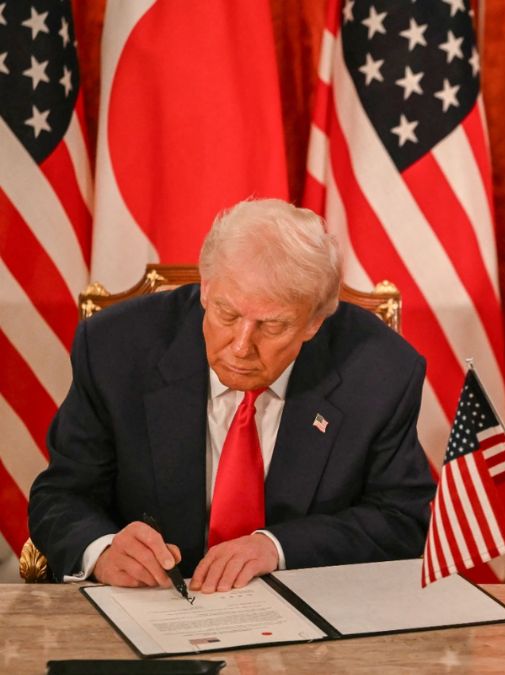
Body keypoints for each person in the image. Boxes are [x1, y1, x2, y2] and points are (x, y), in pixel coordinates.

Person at [28, 199, 435, 593]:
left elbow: (402, 518)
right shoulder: (117, 349)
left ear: (313, 322)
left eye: (272, 326)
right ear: (205, 289)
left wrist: (276, 548)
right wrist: (102, 550)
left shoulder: (381, 371)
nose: (241, 346)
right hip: (153, 609)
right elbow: (62, 495)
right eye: (227, 314)